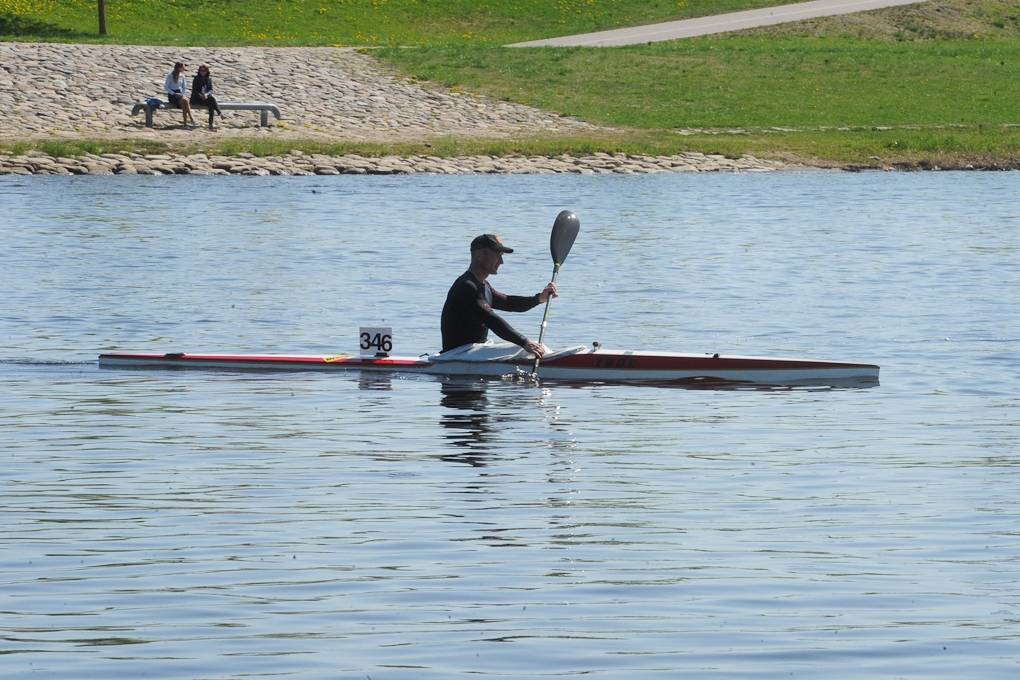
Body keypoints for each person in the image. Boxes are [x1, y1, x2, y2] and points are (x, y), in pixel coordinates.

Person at [441, 234, 557, 357]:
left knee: (537, 347)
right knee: (527, 350)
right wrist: (524, 342)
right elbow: (491, 319)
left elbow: (508, 302)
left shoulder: (483, 286)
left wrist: (539, 298)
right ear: (480, 255)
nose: (501, 262)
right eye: (497, 256)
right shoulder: (466, 286)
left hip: (475, 349)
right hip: (457, 353)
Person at [190, 64, 224, 130]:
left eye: (204, 70)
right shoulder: (196, 79)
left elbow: (211, 90)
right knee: (212, 101)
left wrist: (206, 94)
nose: (202, 72)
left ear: (207, 71)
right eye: (201, 70)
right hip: (197, 98)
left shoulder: (209, 79)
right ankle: (219, 113)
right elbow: (195, 91)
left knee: (211, 103)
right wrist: (201, 96)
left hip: (206, 97)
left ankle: (210, 124)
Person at [164, 62, 196, 128]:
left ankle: (185, 124)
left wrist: (182, 94)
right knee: (186, 101)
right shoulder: (170, 75)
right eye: (183, 67)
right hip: (172, 95)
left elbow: (184, 86)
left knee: (184, 106)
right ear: (179, 68)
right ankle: (192, 119)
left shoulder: (182, 76)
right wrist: (173, 93)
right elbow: (166, 87)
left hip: (179, 93)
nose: (184, 69)